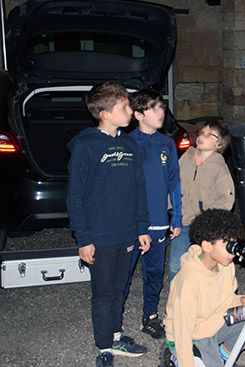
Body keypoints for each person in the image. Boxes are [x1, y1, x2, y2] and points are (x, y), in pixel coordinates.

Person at [66, 82, 152, 367]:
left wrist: (142, 227)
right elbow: (75, 196)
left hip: (127, 231)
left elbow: (139, 188)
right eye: (124, 107)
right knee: (103, 293)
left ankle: (116, 334)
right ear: (105, 113)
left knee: (120, 287)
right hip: (100, 235)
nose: (131, 111)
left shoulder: (128, 143)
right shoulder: (85, 145)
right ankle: (104, 346)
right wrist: (83, 238)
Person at [164, 209, 245, 367]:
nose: (233, 251)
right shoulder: (189, 281)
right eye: (227, 245)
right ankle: (174, 359)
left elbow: (225, 299)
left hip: (215, 323)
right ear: (206, 246)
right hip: (193, 336)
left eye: (234, 243)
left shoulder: (226, 265)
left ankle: (224, 356)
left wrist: (240, 300)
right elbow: (182, 334)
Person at [121, 89, 183, 340]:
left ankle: (150, 316)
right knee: (122, 276)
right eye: (153, 107)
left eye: (162, 107)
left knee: (154, 273)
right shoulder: (125, 143)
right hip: (129, 223)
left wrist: (176, 218)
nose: (161, 112)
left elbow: (174, 183)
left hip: (158, 221)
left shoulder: (167, 143)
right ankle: (115, 323)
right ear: (137, 114)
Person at [167, 120, 235, 282]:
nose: (202, 135)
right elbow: (173, 183)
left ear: (219, 144)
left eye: (210, 134)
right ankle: (176, 302)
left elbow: (227, 200)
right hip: (182, 222)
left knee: (206, 265)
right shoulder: (186, 157)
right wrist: (171, 207)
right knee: (175, 265)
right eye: (201, 131)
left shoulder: (219, 167)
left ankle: (206, 299)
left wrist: (207, 216)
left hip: (205, 226)